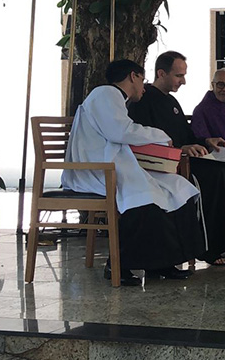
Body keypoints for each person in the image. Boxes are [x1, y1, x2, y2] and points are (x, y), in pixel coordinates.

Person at [61, 60, 203, 285]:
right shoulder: (105, 93)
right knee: (144, 196)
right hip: (96, 171)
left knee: (179, 188)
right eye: (142, 79)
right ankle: (120, 264)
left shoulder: (115, 98)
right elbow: (120, 131)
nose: (144, 87)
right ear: (132, 76)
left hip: (116, 168)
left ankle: (164, 263)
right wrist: (160, 135)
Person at [128, 52, 225, 266]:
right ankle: (209, 247)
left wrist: (207, 141)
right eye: (179, 76)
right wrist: (181, 149)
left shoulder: (171, 101)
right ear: (161, 73)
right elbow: (144, 139)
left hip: (186, 158)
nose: (184, 81)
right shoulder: (144, 101)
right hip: (167, 165)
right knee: (216, 176)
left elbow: (186, 135)